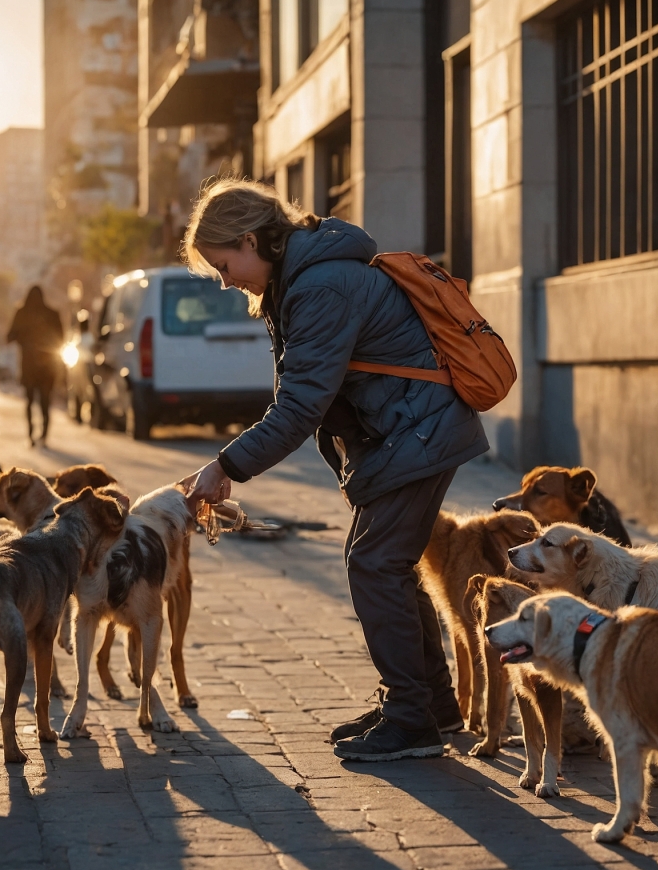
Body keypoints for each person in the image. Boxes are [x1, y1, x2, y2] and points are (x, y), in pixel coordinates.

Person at [177, 179, 489, 763]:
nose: (225, 281)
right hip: (405, 432)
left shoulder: (320, 284)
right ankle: (428, 708)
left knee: (375, 563)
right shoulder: (304, 275)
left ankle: (412, 719)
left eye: (224, 265)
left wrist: (227, 467)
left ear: (251, 240)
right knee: (387, 565)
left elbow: (299, 406)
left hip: (419, 432)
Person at [7, 285, 64, 446]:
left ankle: (31, 434)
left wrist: (23, 339)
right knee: (45, 402)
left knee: (30, 401)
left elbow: (10, 336)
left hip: (29, 367)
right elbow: (61, 339)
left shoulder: (22, 313)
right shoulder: (53, 314)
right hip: (48, 367)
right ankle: (44, 435)